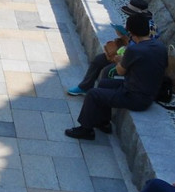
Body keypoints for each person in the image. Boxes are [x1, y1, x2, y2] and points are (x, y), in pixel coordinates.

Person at [65, 12, 167, 141]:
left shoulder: (135, 50)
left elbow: (120, 72)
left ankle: (86, 130)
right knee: (104, 83)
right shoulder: (160, 46)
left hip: (135, 97)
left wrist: (120, 60)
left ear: (131, 32)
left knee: (92, 94)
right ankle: (103, 122)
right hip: (149, 92)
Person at [68, 0, 155, 96]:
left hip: (135, 59)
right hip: (126, 52)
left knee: (108, 71)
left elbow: (142, 47)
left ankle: (100, 95)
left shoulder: (150, 29)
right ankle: (85, 87)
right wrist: (123, 35)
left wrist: (125, 40)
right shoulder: (134, 21)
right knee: (98, 60)